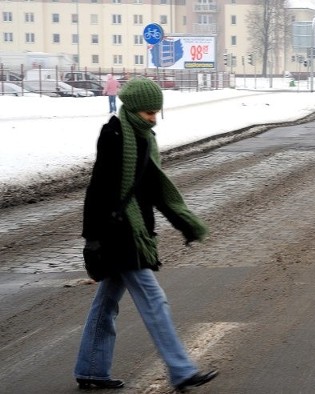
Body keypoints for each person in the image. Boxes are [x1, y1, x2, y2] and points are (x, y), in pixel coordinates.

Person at [75, 77, 218, 392]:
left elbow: (153, 187)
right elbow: (97, 191)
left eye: (156, 112)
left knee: (106, 303)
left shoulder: (143, 138)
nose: (153, 118)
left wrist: (184, 221)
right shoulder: (114, 135)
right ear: (133, 109)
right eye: (148, 113)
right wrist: (93, 238)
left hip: (132, 232)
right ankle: (181, 369)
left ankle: (91, 369)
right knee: (154, 300)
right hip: (120, 236)